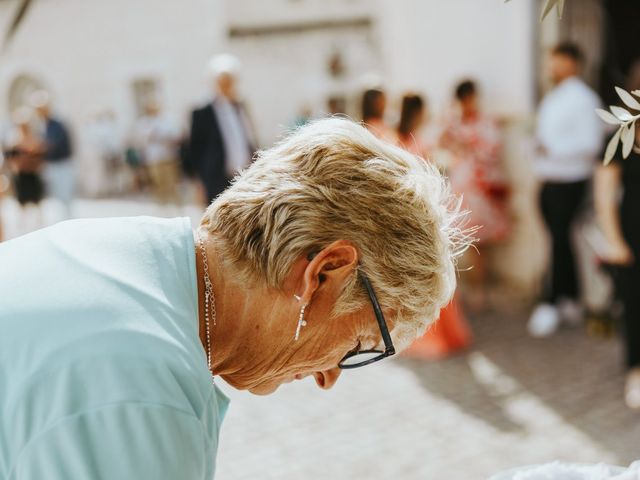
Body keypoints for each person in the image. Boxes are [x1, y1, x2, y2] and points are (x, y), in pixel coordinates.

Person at [0, 118, 466, 478]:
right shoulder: (144, 385)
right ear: (323, 274)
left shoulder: (123, 252)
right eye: (360, 345)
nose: (329, 377)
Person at [527, 43, 604, 337]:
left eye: (555, 61)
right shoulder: (554, 98)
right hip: (549, 179)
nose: (549, 66)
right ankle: (569, 298)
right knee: (557, 240)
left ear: (571, 62)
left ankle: (551, 301)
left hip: (569, 181)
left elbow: (590, 144)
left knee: (559, 240)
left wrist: (552, 149)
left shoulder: (584, 99)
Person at [393, 94, 472, 359]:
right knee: (433, 278)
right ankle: (436, 338)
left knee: (417, 281)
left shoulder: (395, 142)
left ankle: (426, 337)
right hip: (422, 219)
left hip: (406, 221)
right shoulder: (420, 143)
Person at [440, 80, 509, 311]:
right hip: (461, 186)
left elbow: (492, 150)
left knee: (481, 242)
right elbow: (441, 144)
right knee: (463, 241)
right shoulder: (453, 123)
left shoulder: (485, 122)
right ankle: (469, 291)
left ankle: (481, 290)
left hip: (479, 187)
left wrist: (467, 144)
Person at [594, 67, 640, 409]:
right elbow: (604, 192)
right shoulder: (620, 135)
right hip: (632, 233)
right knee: (634, 304)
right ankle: (635, 372)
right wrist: (614, 240)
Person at [189, 54, 256, 204]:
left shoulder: (240, 107)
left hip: (245, 174)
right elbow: (195, 149)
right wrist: (198, 182)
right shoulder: (202, 112)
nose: (226, 86)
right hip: (216, 178)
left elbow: (249, 137)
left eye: (230, 81)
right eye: (222, 82)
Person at [31, 91, 75, 219]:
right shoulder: (42, 126)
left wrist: (38, 148)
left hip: (63, 165)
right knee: (57, 199)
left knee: (66, 198)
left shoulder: (57, 124)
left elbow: (53, 144)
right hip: (51, 165)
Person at [3, 107, 45, 231]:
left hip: (32, 173)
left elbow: (39, 154)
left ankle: (39, 226)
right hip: (21, 175)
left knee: (36, 202)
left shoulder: (34, 136)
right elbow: (10, 156)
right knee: (21, 202)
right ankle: (22, 228)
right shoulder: (13, 137)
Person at [134, 101, 181, 206]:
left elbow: (174, 135)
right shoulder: (143, 123)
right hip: (153, 158)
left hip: (167, 156)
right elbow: (140, 140)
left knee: (171, 181)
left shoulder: (165, 120)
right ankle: (162, 202)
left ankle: (175, 202)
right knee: (158, 181)